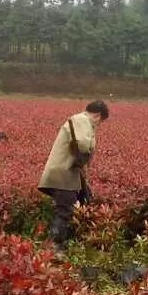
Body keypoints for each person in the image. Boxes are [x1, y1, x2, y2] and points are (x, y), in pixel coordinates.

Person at [38, 100, 110, 250]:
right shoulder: (82, 120)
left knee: (84, 200)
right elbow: (83, 144)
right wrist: (91, 146)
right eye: (100, 122)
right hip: (63, 174)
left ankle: (67, 242)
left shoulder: (79, 120)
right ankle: (53, 247)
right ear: (97, 115)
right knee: (65, 211)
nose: (98, 126)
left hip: (68, 174)